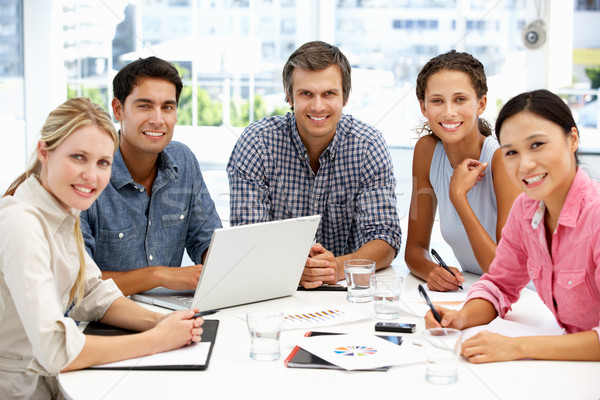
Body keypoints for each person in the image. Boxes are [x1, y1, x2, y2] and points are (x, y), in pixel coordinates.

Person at [0, 98, 204, 399]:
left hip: (48, 383)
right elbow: (55, 348)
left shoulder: (62, 211)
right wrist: (156, 340)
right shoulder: (22, 222)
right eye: (78, 157)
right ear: (45, 152)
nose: (92, 176)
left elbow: (91, 293)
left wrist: (162, 322)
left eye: (103, 163)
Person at [425, 89, 600, 363]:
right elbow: (498, 285)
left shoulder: (596, 217)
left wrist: (517, 347)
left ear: (572, 139)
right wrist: (461, 317)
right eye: (512, 152)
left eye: (537, 145)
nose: (526, 164)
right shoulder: (525, 209)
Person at [227, 41, 401, 289]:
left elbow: (385, 238)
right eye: (306, 94)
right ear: (289, 96)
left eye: (329, 94)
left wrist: (336, 268)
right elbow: (246, 237)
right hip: (272, 289)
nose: (318, 106)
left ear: (345, 97)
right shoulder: (257, 143)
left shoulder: (367, 145)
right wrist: (292, 269)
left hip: (346, 292)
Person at [81, 57, 222, 296]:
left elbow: (207, 239)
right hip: (102, 319)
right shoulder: (88, 175)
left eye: (167, 107)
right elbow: (78, 281)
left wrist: (217, 266)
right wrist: (160, 276)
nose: (158, 119)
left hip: (171, 312)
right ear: (118, 109)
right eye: (144, 106)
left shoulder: (184, 160)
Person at [405, 50, 520, 291]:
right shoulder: (426, 151)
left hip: (525, 297)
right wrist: (432, 271)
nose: (448, 112)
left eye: (460, 99)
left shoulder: (501, 159)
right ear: (423, 107)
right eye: (437, 101)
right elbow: (414, 249)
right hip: (475, 289)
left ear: (481, 103)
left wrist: (458, 197)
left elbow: (503, 270)